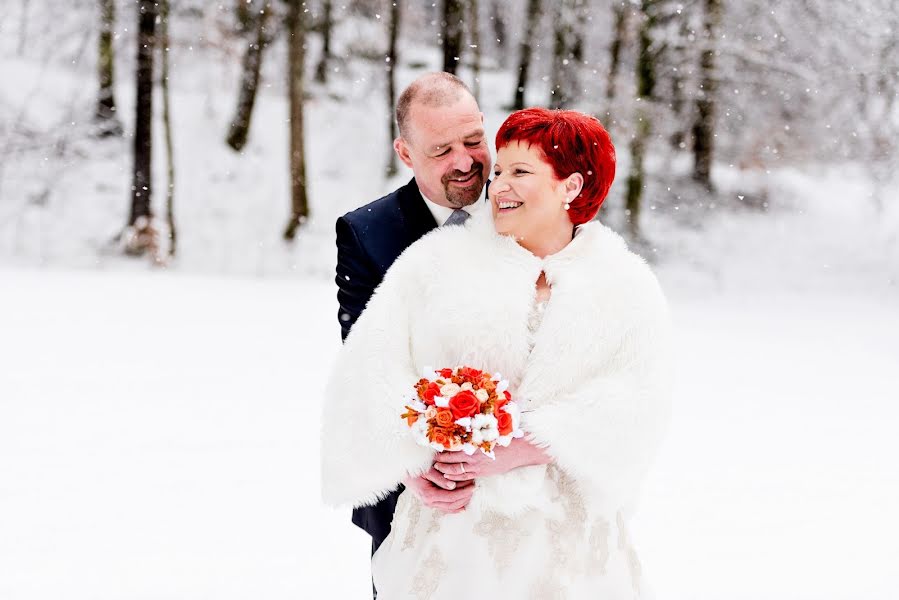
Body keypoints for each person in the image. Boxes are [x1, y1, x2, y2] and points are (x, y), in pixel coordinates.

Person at [323, 107, 671, 598]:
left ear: (570, 186)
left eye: (520, 172)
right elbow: (369, 374)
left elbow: (641, 402)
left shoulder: (624, 284)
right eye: (500, 169)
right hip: (454, 544)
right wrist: (413, 464)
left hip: (571, 549)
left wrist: (531, 444)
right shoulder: (434, 264)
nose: (499, 185)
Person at [333, 72, 494, 580]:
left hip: (517, 490)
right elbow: (368, 363)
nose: (465, 161)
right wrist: (415, 462)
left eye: (473, 140)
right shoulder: (367, 233)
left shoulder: (524, 208)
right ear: (405, 153)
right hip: (410, 489)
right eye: (442, 149)